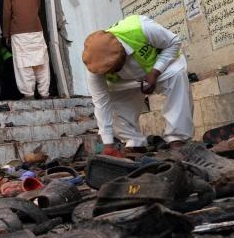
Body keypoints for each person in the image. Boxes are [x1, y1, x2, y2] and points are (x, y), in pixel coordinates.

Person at [82, 15, 195, 158]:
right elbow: (101, 103)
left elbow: (174, 42)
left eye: (115, 68)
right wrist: (108, 145)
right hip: (124, 83)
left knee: (177, 76)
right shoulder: (95, 68)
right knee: (110, 105)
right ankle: (134, 142)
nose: (111, 72)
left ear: (122, 51)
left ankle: (177, 139)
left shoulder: (142, 28)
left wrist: (154, 73)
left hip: (162, 68)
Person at [3, 0, 50, 100]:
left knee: (23, 63)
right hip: (36, 30)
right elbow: (37, 7)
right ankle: (44, 93)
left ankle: (28, 94)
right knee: (41, 61)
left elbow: (7, 14)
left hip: (18, 32)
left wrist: (6, 34)